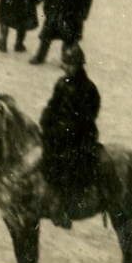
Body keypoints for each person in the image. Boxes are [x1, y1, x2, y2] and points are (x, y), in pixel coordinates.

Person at [38, 44, 101, 229]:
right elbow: (53, 104)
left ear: (80, 65)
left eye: (70, 64)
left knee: (67, 163)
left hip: (80, 136)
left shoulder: (89, 89)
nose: (66, 68)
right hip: (59, 132)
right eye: (65, 64)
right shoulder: (61, 83)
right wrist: (46, 119)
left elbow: (87, 118)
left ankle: (64, 208)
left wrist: (63, 129)